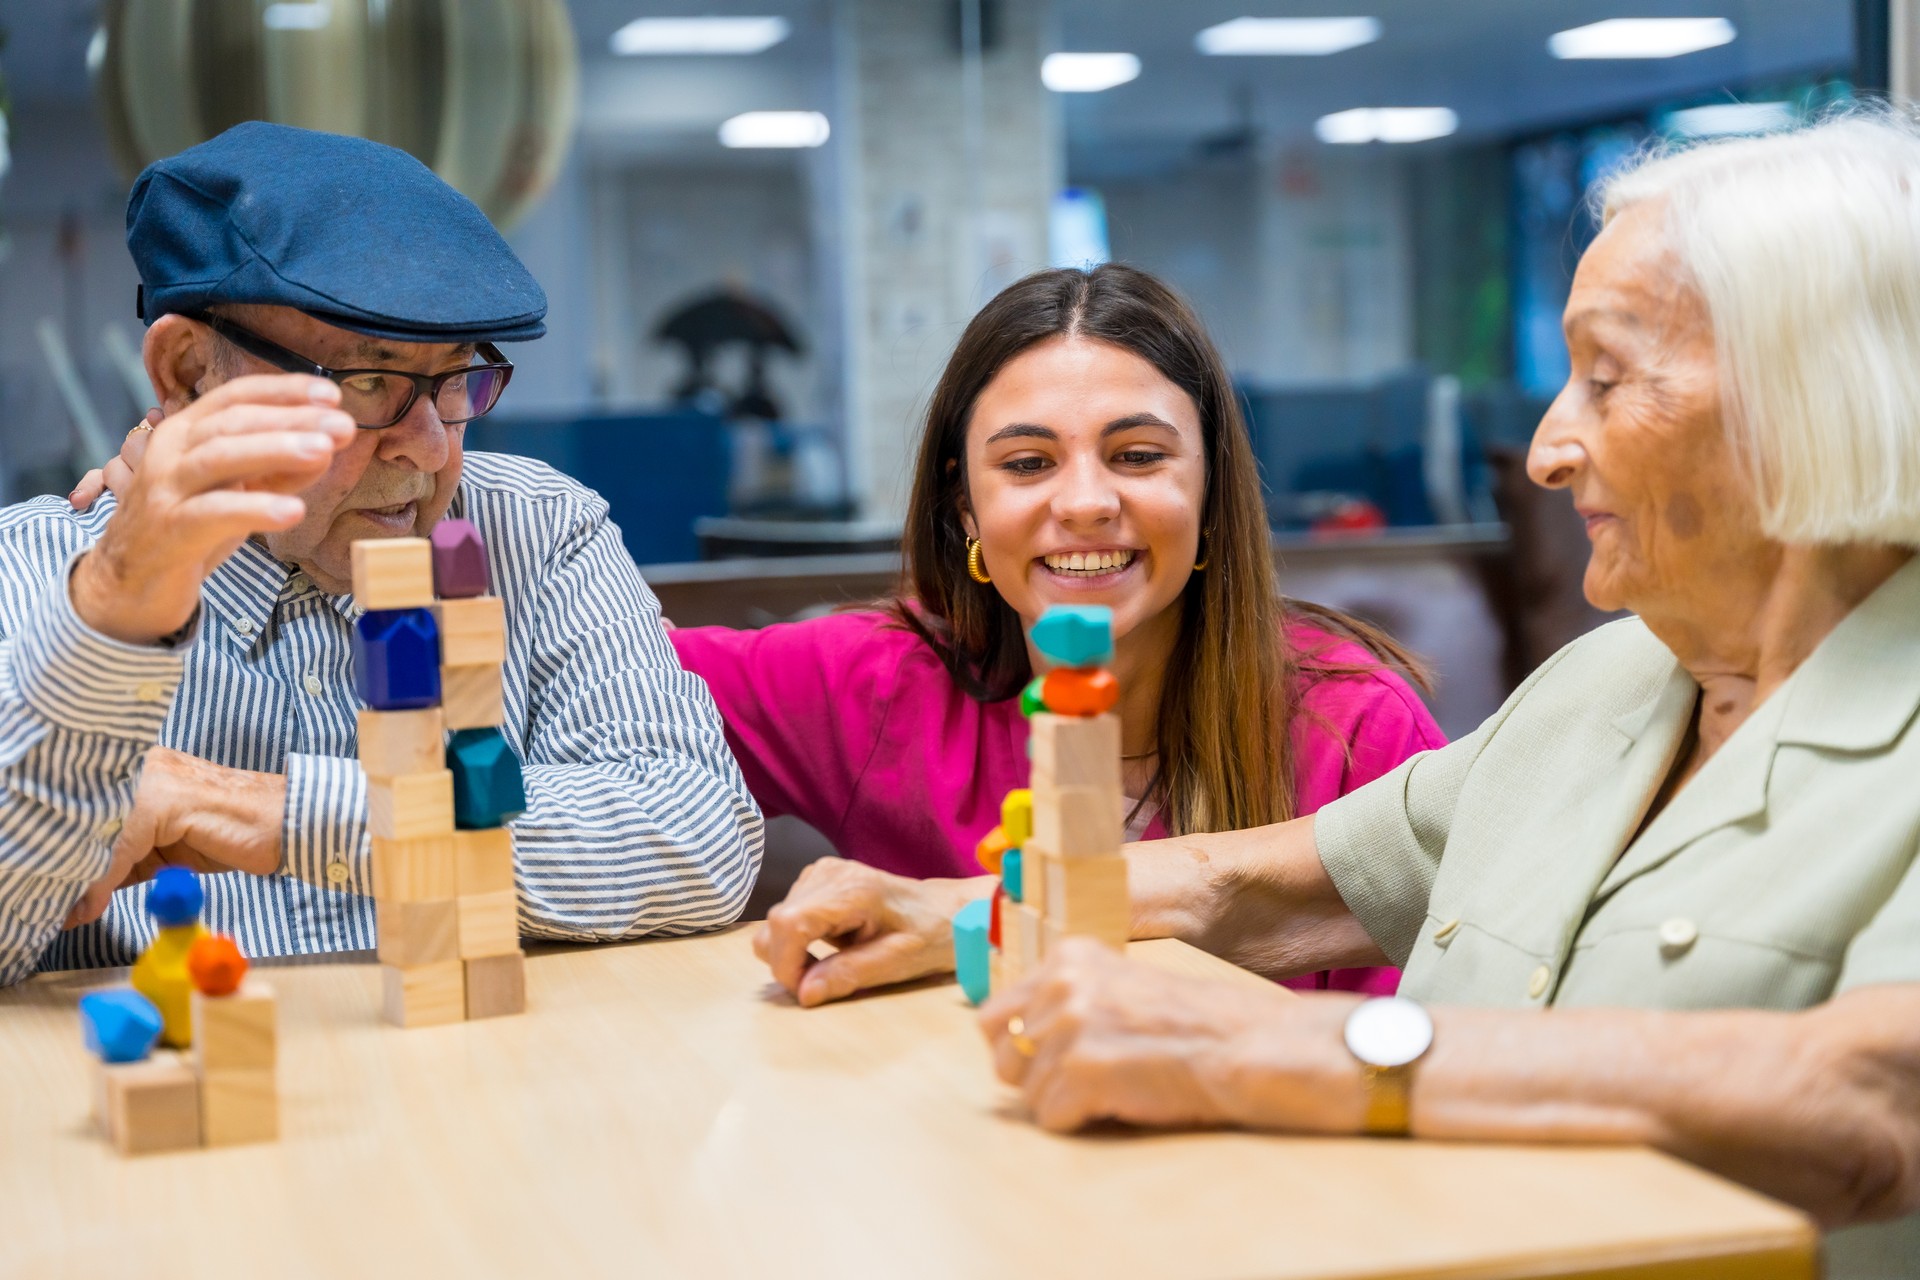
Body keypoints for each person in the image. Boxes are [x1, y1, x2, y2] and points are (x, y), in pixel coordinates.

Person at [762, 112, 1920, 1271]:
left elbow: (1871, 1098)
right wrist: (965, 911)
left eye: (1608, 380)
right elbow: (1261, 882)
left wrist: (1287, 1047)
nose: (1548, 450)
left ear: (1809, 397)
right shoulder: (1616, 676)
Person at [22, 122, 762, 986]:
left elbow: (697, 833)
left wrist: (288, 813)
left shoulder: (535, 531)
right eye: (369, 381)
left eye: (455, 381)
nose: (431, 449)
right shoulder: (45, 574)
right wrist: (119, 606)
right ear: (190, 373)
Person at [676, 264, 1444, 1007]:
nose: (1084, 502)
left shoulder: (1357, 731)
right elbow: (611, 681)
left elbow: (1433, 1025)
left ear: (1210, 493)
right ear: (966, 509)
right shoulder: (873, 682)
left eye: (1138, 456)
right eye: (1027, 462)